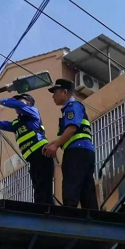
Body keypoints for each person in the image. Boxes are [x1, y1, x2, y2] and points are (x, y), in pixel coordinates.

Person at [0, 93, 54, 205]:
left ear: (28, 103)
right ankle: (42, 210)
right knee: (38, 190)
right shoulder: (16, 123)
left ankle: (46, 211)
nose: (16, 104)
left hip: (42, 154)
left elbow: (17, 105)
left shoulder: (33, 112)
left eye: (20, 100)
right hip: (33, 159)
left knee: (43, 189)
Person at [43, 78, 98, 209]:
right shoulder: (73, 108)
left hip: (76, 152)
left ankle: (69, 215)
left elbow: (72, 129)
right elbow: (71, 132)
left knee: (71, 188)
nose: (53, 96)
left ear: (65, 92)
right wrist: (53, 143)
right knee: (86, 190)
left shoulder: (73, 106)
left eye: (55, 92)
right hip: (85, 152)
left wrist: (55, 146)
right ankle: (93, 216)